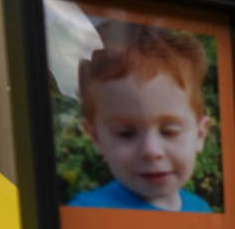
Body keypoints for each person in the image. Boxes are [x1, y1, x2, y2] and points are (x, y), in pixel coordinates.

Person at [69, 23, 214, 213]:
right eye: (126, 133)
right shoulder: (86, 214)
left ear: (200, 134)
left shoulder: (202, 211)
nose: (151, 151)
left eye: (169, 132)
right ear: (95, 137)